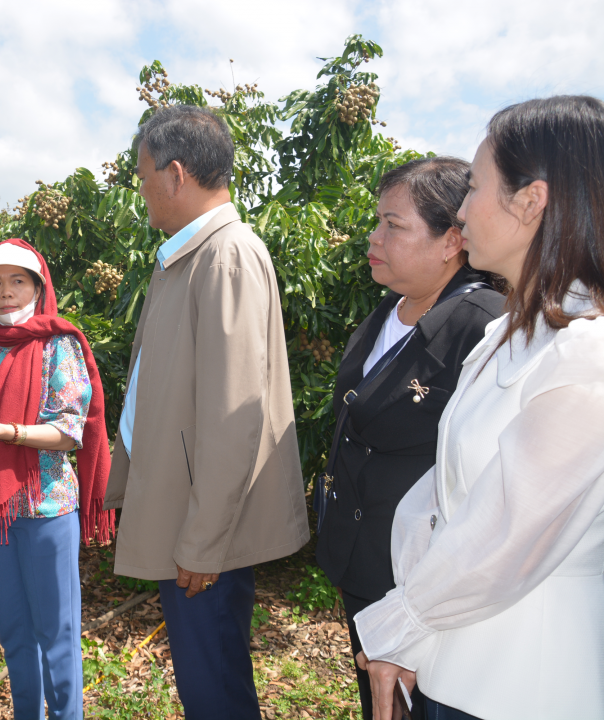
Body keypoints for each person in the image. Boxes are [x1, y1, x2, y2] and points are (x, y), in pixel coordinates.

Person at [355, 95, 604, 720]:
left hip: (525, 680)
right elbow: (439, 499)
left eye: (476, 188)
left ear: (531, 201)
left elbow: (508, 530)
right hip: (458, 660)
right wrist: (416, 616)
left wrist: (404, 619)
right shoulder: (509, 336)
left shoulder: (584, 355)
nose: (461, 210)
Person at [104, 104, 311, 719]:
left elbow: (235, 413)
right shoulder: (188, 255)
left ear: (174, 174)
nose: (142, 191)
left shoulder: (225, 256)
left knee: (214, 685)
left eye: (143, 177)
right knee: (205, 679)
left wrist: (202, 541)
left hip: (200, 529)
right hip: (183, 509)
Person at [313, 157, 505, 720]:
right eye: (377, 222)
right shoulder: (385, 311)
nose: (374, 238)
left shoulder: (486, 325)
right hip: (363, 561)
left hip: (425, 582)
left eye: (393, 226)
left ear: (451, 241)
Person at [0, 238, 114, 720]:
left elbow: (70, 429)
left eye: (18, 281)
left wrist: (8, 432)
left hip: (47, 508)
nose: (6, 292)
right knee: (12, 629)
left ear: (37, 286)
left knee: (57, 632)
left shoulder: (59, 346)